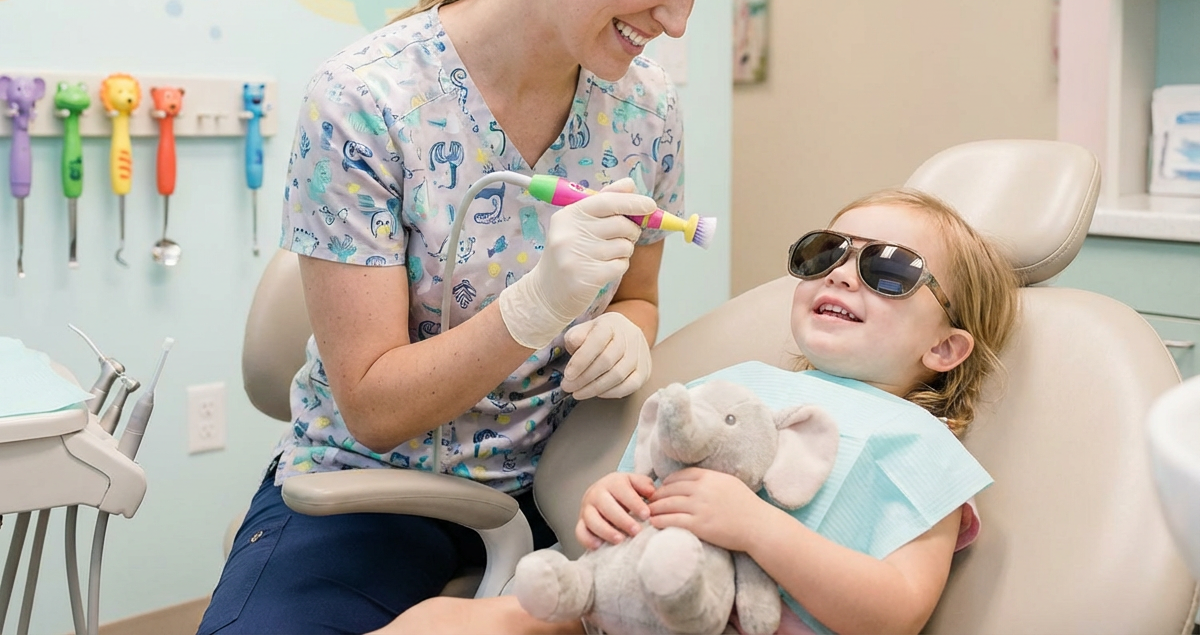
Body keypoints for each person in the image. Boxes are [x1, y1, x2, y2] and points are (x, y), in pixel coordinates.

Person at [196, 0, 753, 634]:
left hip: (565, 488)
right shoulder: (367, 100)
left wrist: (626, 332)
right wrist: (535, 308)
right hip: (366, 492)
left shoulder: (646, 115)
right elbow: (376, 410)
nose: (677, 20)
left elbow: (639, 293)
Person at [380, 186, 1020, 635]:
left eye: (888, 269)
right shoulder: (737, 384)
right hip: (629, 606)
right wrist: (612, 500)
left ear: (945, 347)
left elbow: (897, 613)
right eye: (826, 253)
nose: (842, 276)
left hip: (753, 619)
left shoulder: (920, 444)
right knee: (435, 620)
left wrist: (756, 528)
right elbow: (646, 496)